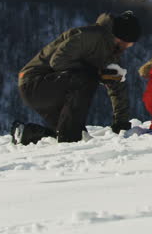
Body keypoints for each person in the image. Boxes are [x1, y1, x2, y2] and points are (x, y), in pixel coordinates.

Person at [10, 11, 141, 145]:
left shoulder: (110, 52)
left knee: (72, 131)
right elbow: (58, 61)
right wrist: (96, 72)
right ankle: (69, 140)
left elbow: (118, 87)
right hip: (34, 83)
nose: (128, 47)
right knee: (85, 81)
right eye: (128, 42)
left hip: (54, 85)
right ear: (120, 36)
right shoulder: (91, 36)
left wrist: (121, 122)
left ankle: (25, 134)